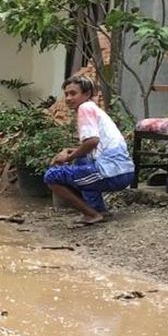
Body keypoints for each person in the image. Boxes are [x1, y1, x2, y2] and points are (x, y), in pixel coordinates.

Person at [43, 76, 135, 225]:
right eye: (66, 94)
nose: (68, 98)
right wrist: (70, 151)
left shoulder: (85, 108)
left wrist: (66, 158)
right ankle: (99, 210)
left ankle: (92, 214)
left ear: (86, 94)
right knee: (81, 159)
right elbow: (95, 146)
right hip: (124, 172)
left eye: (73, 93)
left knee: (51, 176)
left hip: (112, 173)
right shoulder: (94, 109)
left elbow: (92, 142)